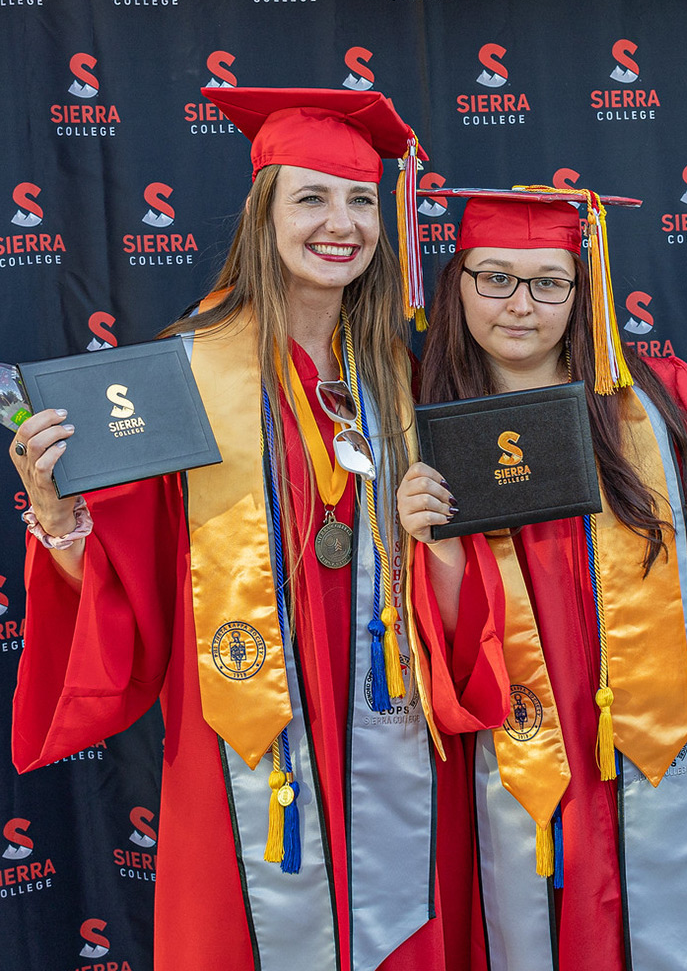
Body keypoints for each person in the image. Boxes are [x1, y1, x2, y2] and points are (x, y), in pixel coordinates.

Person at [8, 91, 508, 971]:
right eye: (310, 199)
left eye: (359, 200)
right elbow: (131, 582)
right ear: (263, 215)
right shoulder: (185, 371)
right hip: (241, 731)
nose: (341, 224)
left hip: (389, 726)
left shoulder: (402, 376)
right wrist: (57, 517)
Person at [397, 188, 687, 971]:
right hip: (521, 747)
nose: (520, 306)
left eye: (548, 282)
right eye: (495, 277)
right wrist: (439, 544)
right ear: (457, 283)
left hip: (674, 742)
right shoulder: (426, 423)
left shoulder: (662, 401)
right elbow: (437, 643)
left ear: (582, 289)